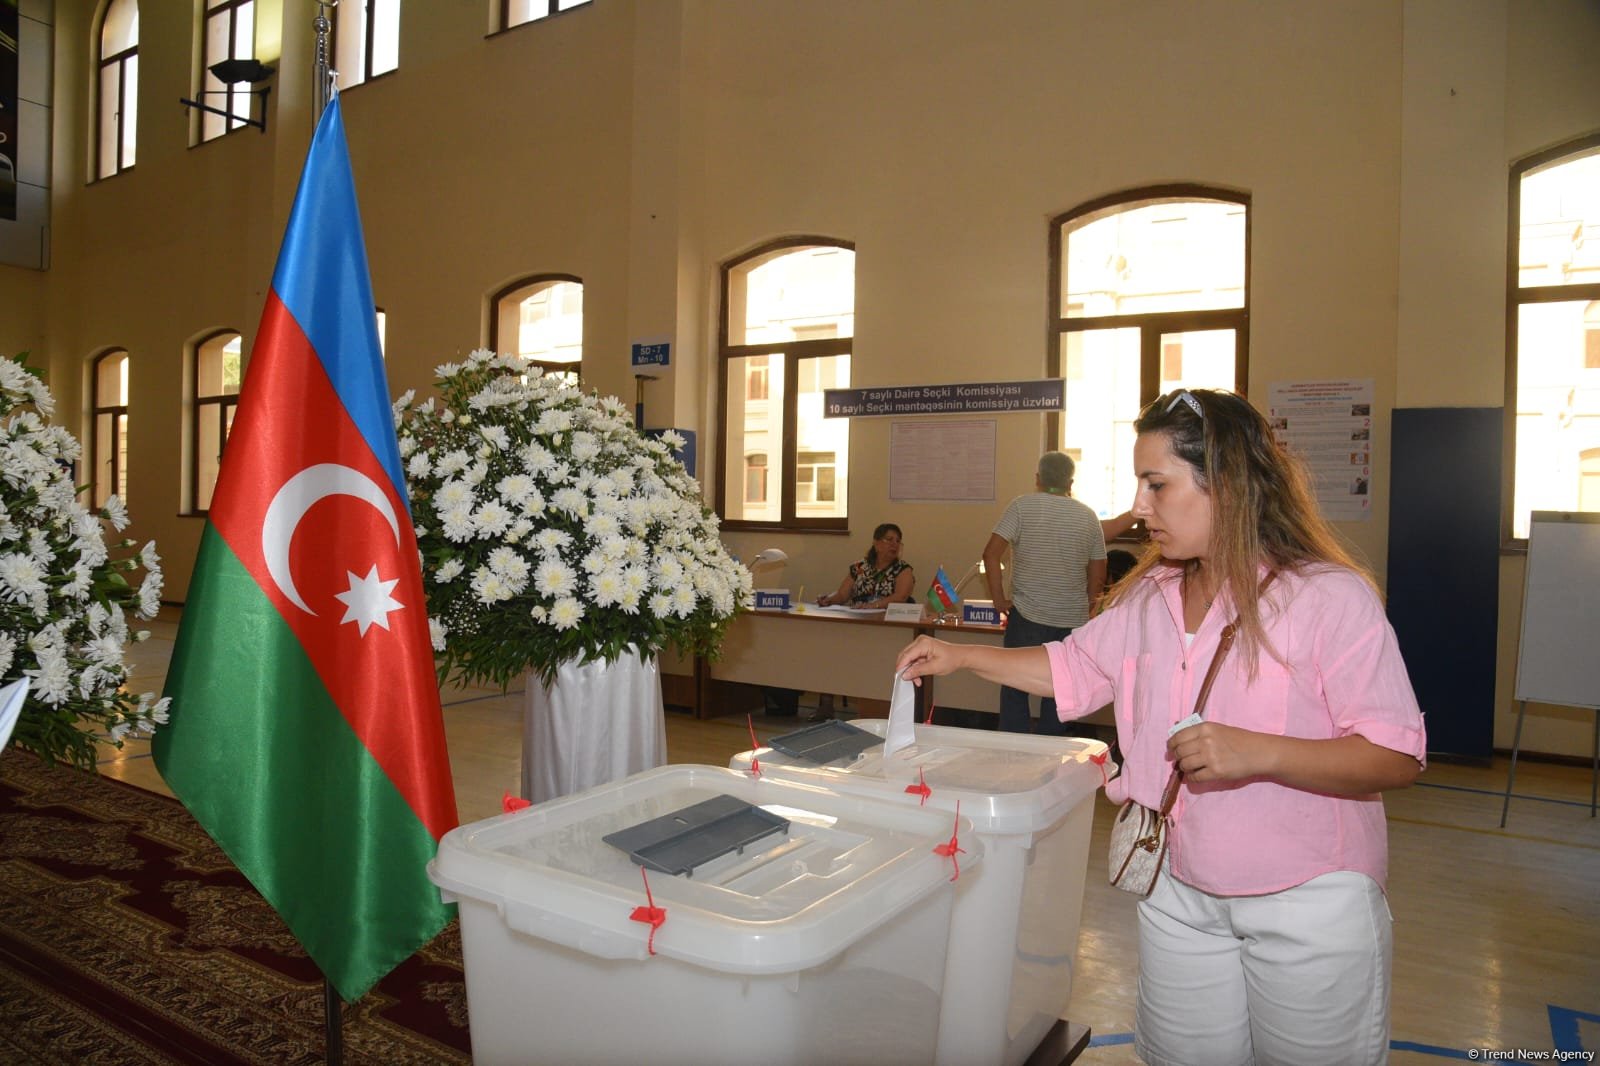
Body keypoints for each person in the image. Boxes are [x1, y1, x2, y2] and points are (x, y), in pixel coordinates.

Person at [897, 388, 1425, 1066]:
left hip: (1308, 900)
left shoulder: (1327, 597)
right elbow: (1071, 665)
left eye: (1157, 484)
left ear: (1227, 486)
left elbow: (1393, 755)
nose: (1140, 508)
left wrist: (1257, 752)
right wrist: (963, 655)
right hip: (1177, 889)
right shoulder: (1151, 595)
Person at [982, 451, 1107, 734]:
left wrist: (998, 600)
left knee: (1014, 686)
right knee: (1061, 693)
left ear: (1037, 478)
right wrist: (1087, 606)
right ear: (1070, 482)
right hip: (1071, 622)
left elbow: (990, 554)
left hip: (1026, 616)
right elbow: (1098, 574)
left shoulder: (1021, 507)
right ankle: (1051, 761)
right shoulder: (1088, 516)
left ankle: (1013, 756)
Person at [817, 523, 915, 609]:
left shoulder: (903, 569)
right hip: (858, 617)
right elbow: (842, 595)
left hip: (887, 621)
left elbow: (900, 597)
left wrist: (873, 606)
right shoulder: (860, 567)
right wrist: (829, 600)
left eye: (898, 541)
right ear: (876, 543)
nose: (895, 544)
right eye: (890, 540)